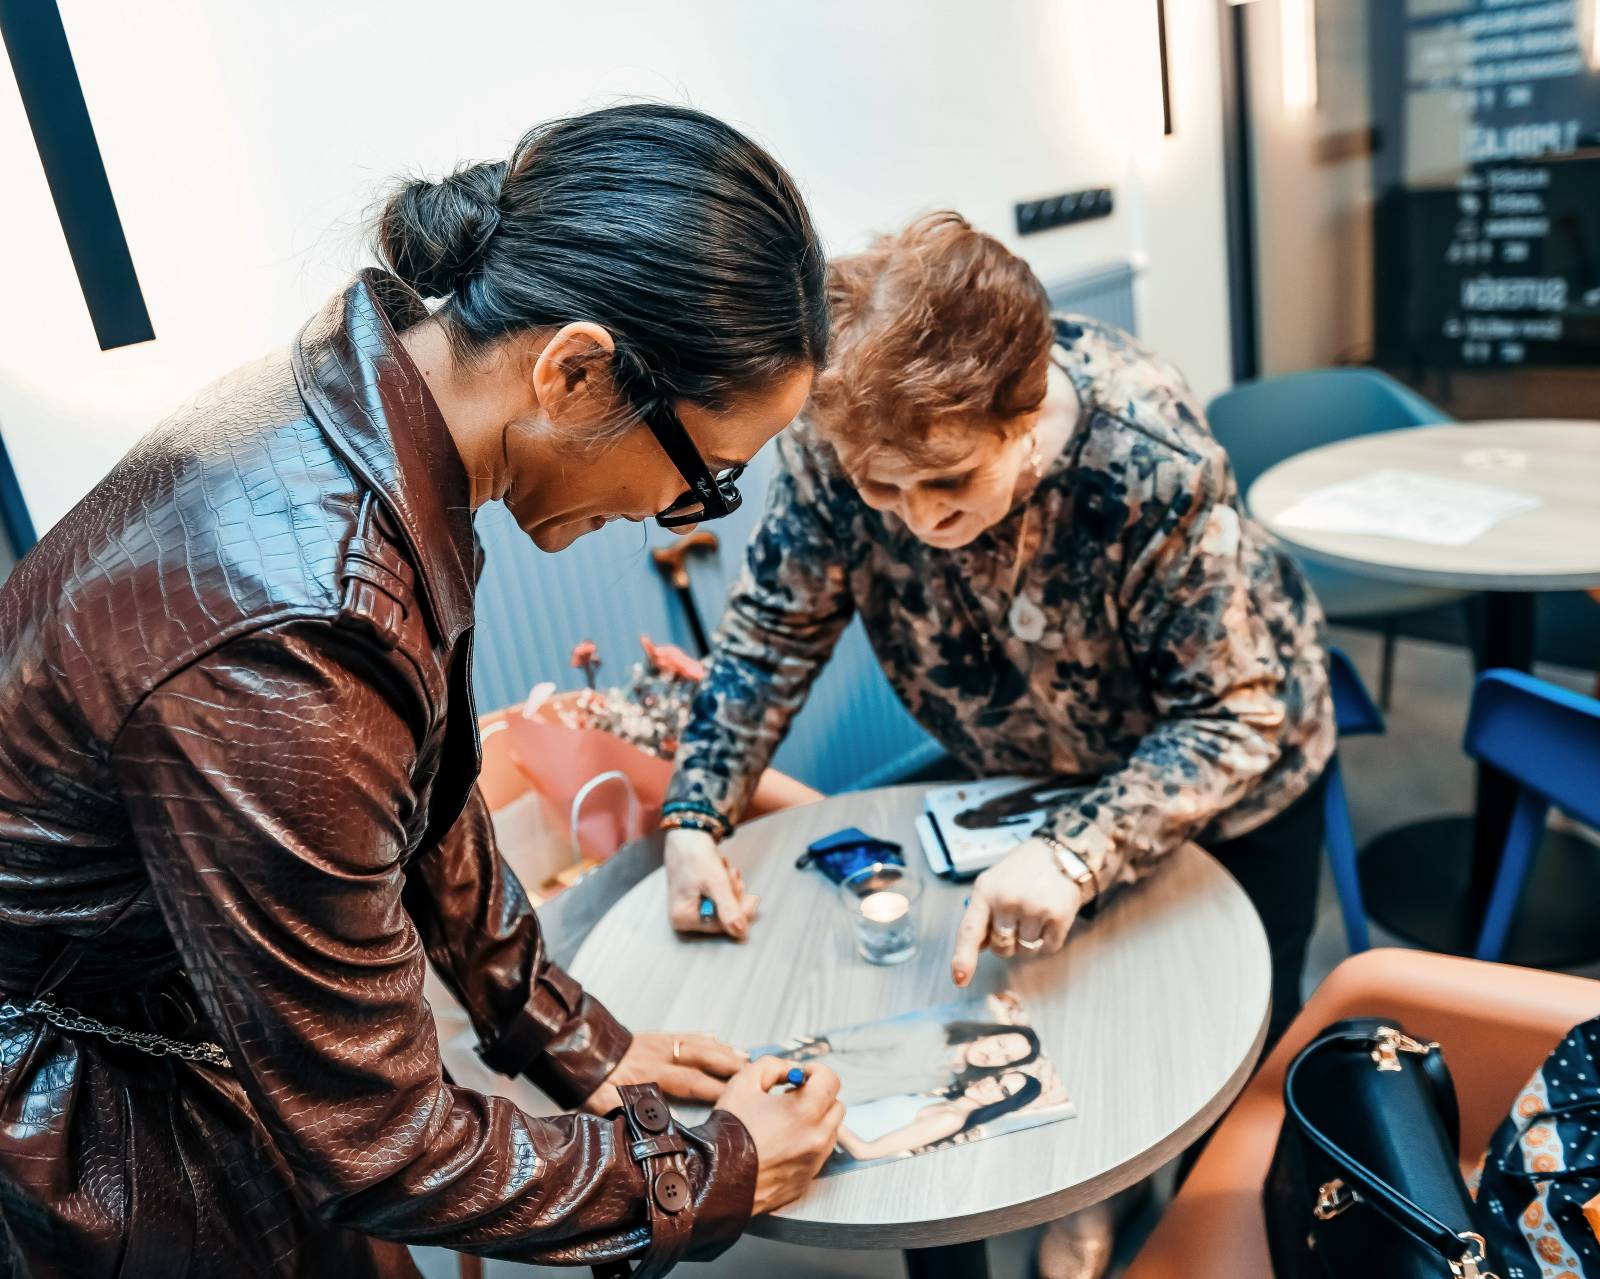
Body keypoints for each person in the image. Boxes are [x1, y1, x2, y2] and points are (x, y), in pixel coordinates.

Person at [0, 105, 845, 1278]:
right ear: (576, 368)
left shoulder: (372, 417)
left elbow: (424, 798)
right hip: (95, 1125)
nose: (676, 513)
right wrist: (712, 1170)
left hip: (186, 1026)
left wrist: (576, 1042)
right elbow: (383, 1144)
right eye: (706, 475)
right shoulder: (298, 628)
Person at [661, 211, 1335, 1052]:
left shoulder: (1150, 461)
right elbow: (771, 633)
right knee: (1073, 1032)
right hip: (1023, 782)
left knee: (1235, 1039)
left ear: (1025, 412)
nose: (920, 518)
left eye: (949, 478)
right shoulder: (830, 438)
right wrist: (696, 814)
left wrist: (1075, 852)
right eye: (883, 488)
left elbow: (1231, 714)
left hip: (1222, 788)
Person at [835, 1070, 1044, 1163]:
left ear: (1005, 1104)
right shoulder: (941, 1099)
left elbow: (864, 1152)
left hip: (822, 1132)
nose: (990, 1083)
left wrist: (825, 1112)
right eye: (998, 1078)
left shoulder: (951, 1119)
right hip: (818, 1117)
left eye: (1003, 1091)